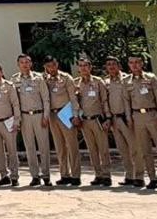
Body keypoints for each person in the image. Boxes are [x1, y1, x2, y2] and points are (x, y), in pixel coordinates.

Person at [126, 55, 157, 189]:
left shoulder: (151, 78)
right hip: (137, 117)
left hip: (152, 114)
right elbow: (126, 101)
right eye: (131, 63)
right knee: (145, 150)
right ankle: (153, 178)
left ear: (142, 63)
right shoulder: (127, 81)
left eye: (137, 62)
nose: (134, 65)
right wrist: (129, 118)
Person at [11, 55, 51, 186]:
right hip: (25, 117)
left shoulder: (38, 78)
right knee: (30, 148)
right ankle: (35, 176)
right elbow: (14, 102)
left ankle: (46, 175)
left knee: (44, 146)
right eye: (22, 62)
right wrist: (17, 119)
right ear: (18, 65)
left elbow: (46, 98)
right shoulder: (14, 80)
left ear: (31, 63)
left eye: (27, 62)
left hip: (39, 115)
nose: (25, 65)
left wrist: (46, 116)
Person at [43, 56, 81, 186]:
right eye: (48, 66)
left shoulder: (66, 78)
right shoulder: (45, 80)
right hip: (53, 115)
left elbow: (73, 98)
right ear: (45, 67)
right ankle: (64, 174)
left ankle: (76, 175)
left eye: (53, 65)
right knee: (59, 147)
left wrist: (75, 115)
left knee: (72, 145)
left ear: (57, 64)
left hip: (66, 113)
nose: (51, 68)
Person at [74, 58, 111, 186]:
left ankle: (106, 175)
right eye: (81, 66)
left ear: (90, 67)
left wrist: (107, 117)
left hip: (98, 119)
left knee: (103, 148)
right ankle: (98, 174)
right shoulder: (76, 83)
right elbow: (75, 102)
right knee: (92, 150)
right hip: (85, 121)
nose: (83, 68)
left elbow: (104, 100)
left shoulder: (98, 81)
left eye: (86, 65)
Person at [103, 57, 138, 186]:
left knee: (134, 149)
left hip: (126, 118)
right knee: (123, 150)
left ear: (119, 66)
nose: (111, 66)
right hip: (114, 119)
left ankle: (138, 176)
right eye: (108, 64)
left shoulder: (127, 79)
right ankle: (129, 175)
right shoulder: (106, 82)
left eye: (114, 64)